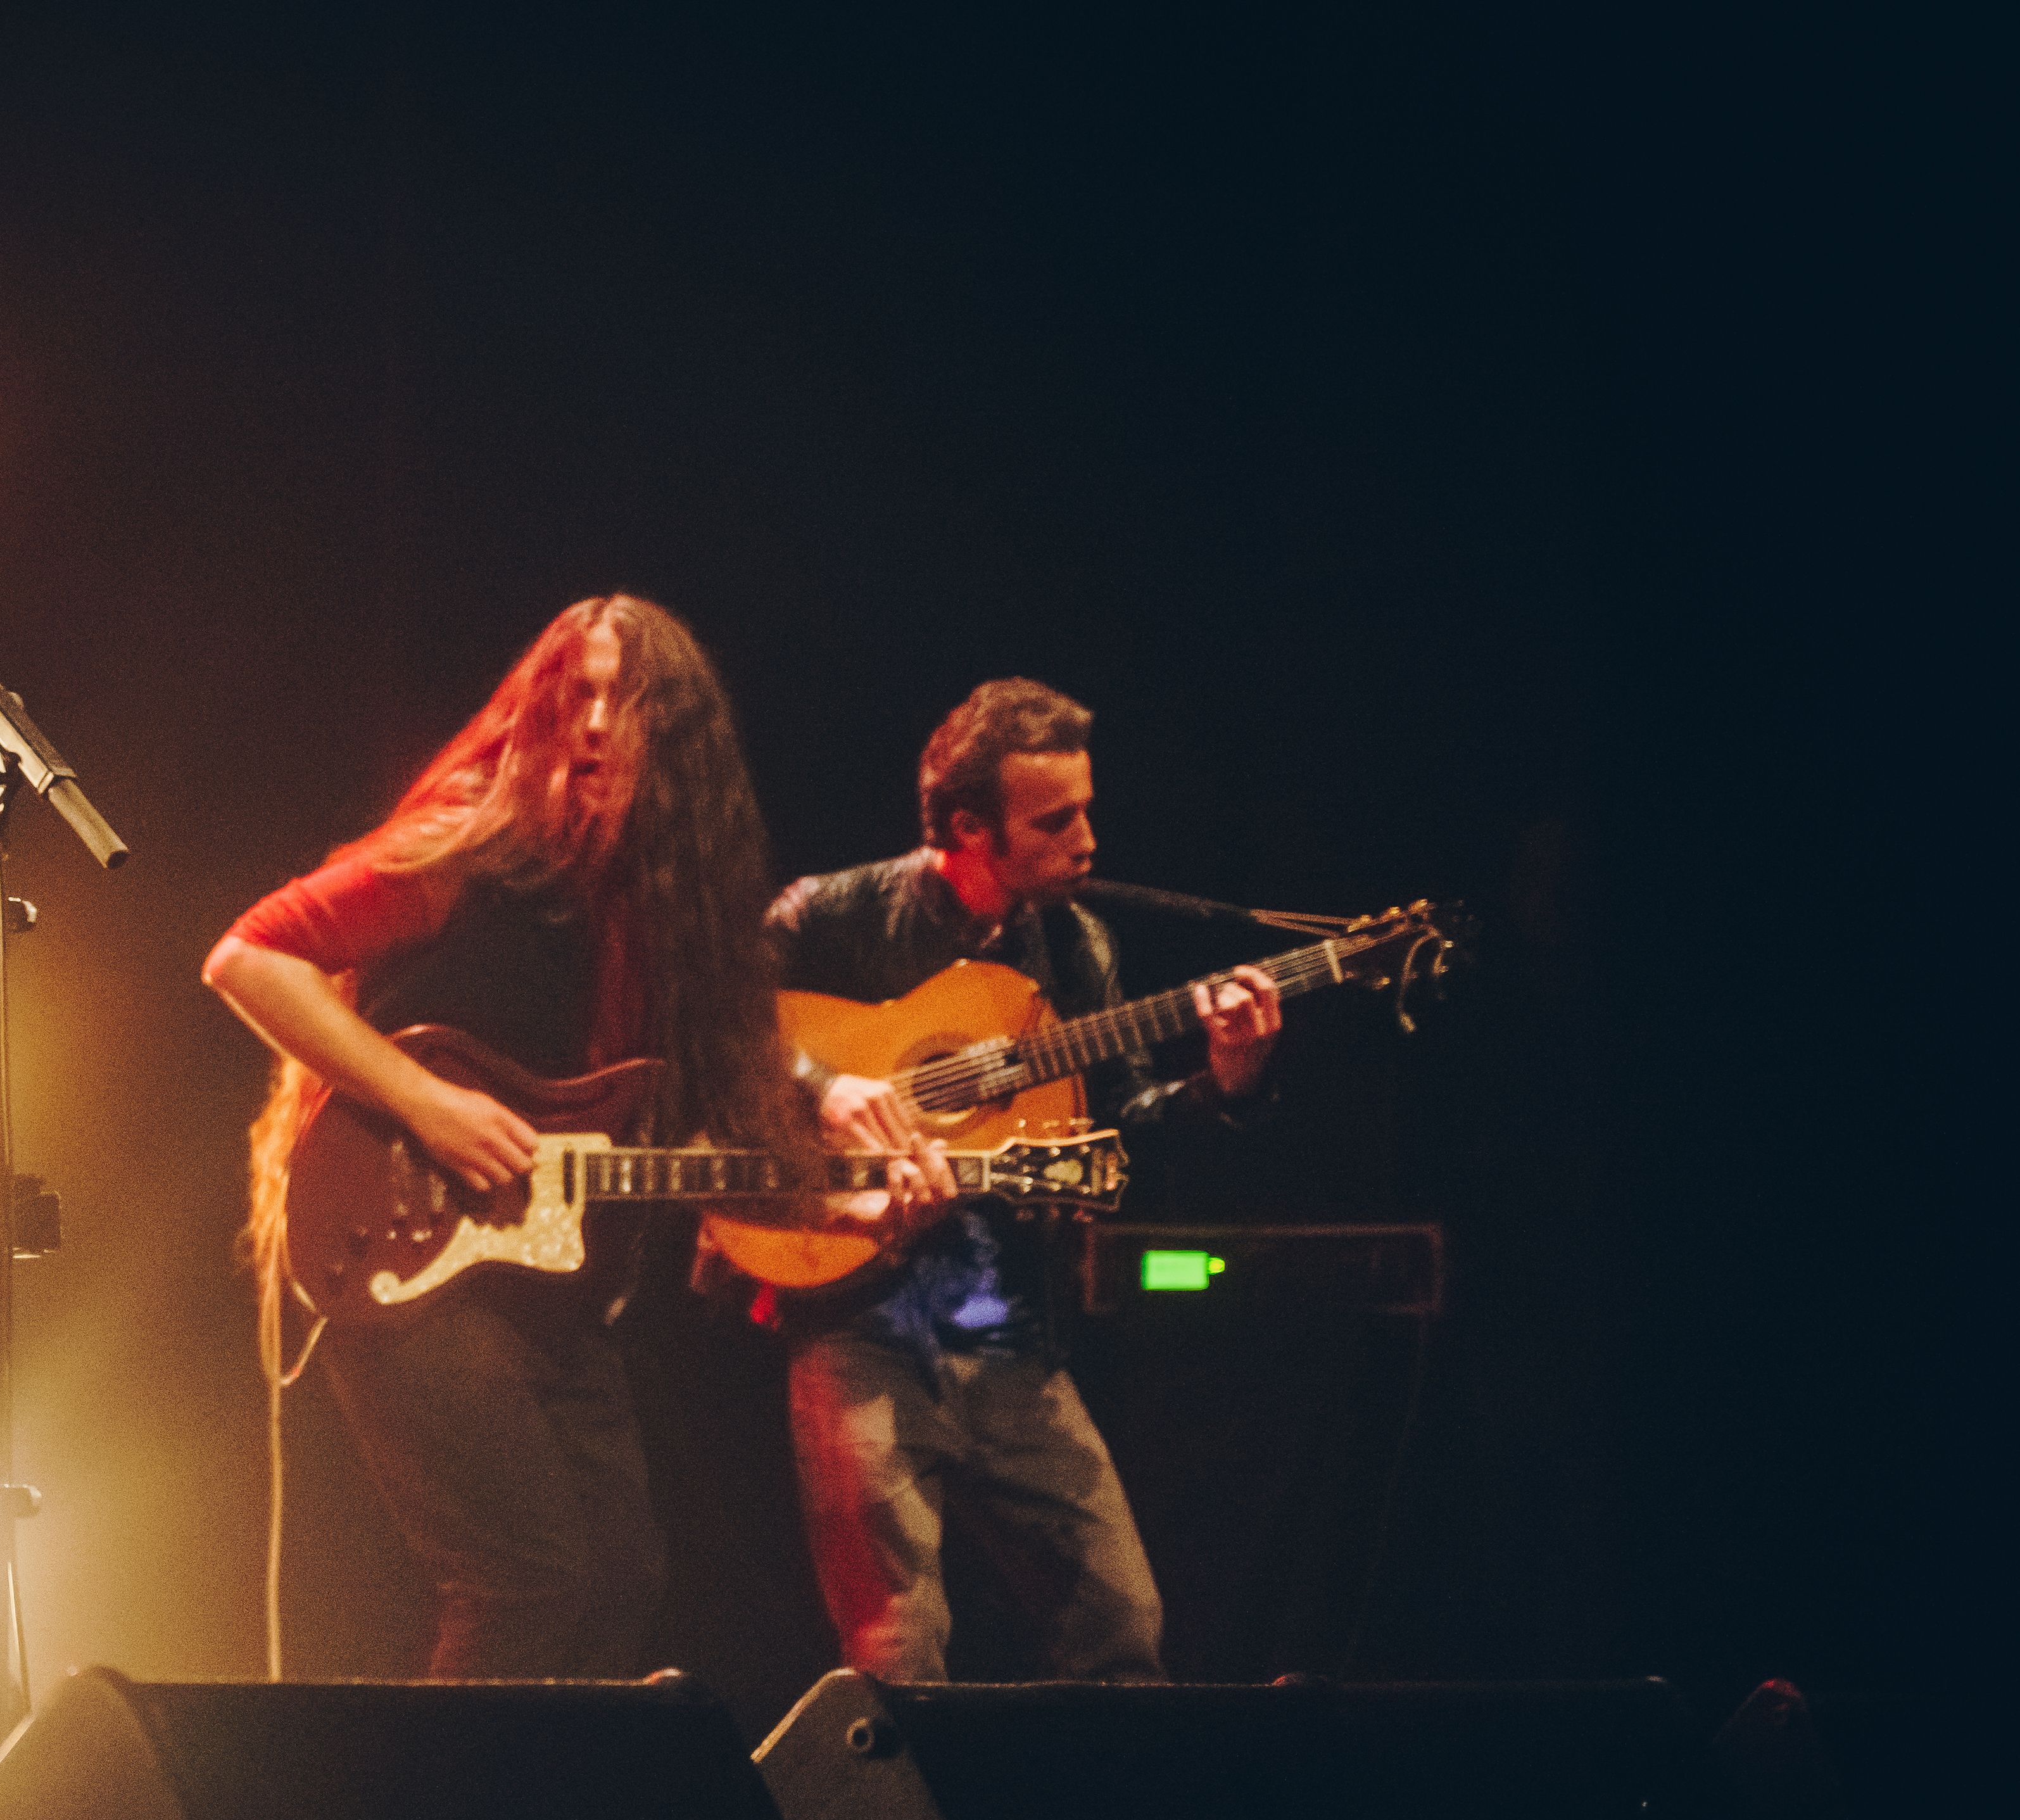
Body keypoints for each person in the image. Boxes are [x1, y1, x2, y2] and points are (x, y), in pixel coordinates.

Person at [205, 598, 937, 1679]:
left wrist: (848, 1210)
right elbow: (248, 959)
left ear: (677, 738)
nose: (594, 724)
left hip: (549, 1286)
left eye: (624, 702)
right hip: (405, 1254)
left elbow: (692, 1139)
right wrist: (426, 1102)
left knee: (624, 1580)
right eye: (575, 696)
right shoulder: (466, 845)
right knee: (527, 1586)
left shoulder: (670, 913)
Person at [756, 677, 1279, 1684]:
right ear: (968, 829)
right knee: (897, 1656)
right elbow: (709, 1032)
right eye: (1055, 820)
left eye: (1086, 809)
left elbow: (1117, 1122)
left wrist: (1227, 1080)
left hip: (1008, 1333)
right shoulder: (830, 916)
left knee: (1123, 1627)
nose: (1086, 839)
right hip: (854, 1319)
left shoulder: (1077, 945)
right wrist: (823, 1083)